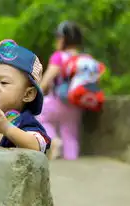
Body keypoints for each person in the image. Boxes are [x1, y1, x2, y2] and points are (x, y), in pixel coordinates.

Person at [37, 21, 83, 160]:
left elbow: (46, 80)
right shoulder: (82, 58)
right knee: (70, 135)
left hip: (56, 101)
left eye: (58, 37)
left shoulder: (59, 56)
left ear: (63, 38)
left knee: (39, 117)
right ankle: (72, 163)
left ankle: (53, 141)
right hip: (75, 104)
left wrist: (35, 93)